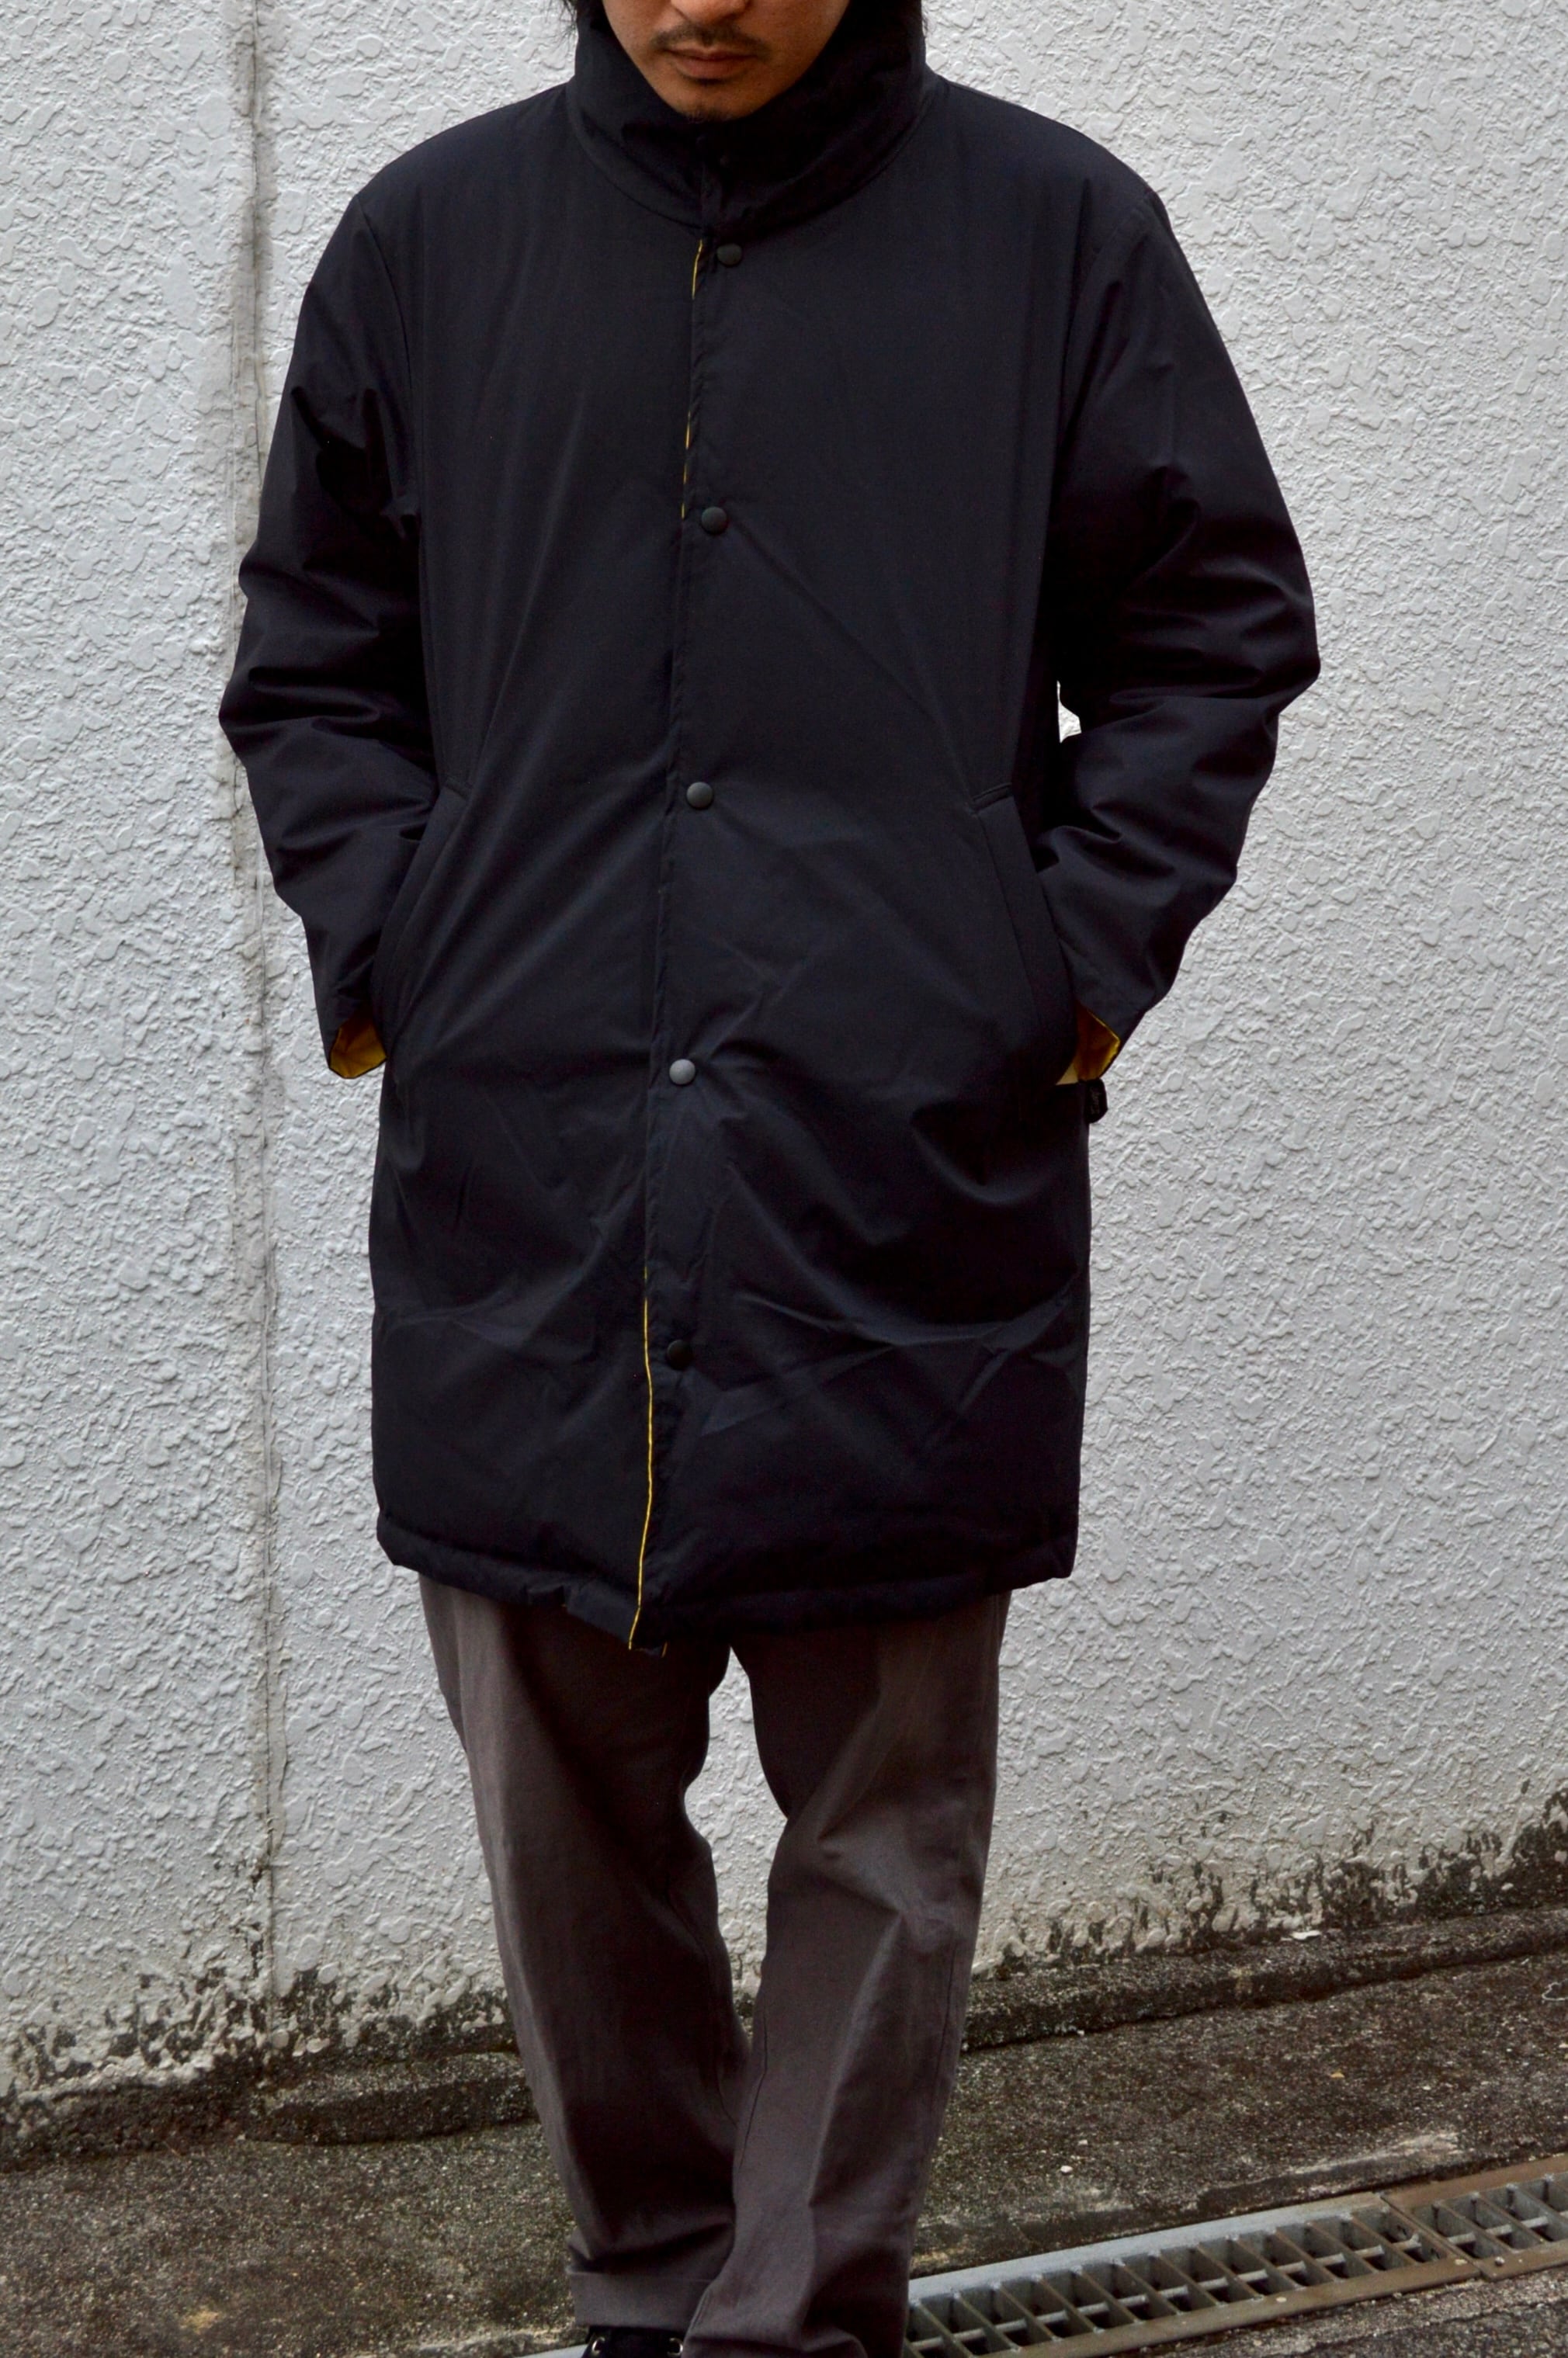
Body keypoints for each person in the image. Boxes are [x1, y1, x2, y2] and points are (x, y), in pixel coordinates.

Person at [220, 0, 1318, 2352]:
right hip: (530, 1167)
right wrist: (401, 942)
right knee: (556, 1804)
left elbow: (1211, 628)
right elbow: (315, 652)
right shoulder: (432, 242)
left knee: (881, 1823)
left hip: (895, 1163)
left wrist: (1059, 970)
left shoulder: (1055, 238)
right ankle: (647, 2285)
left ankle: (799, 2314)